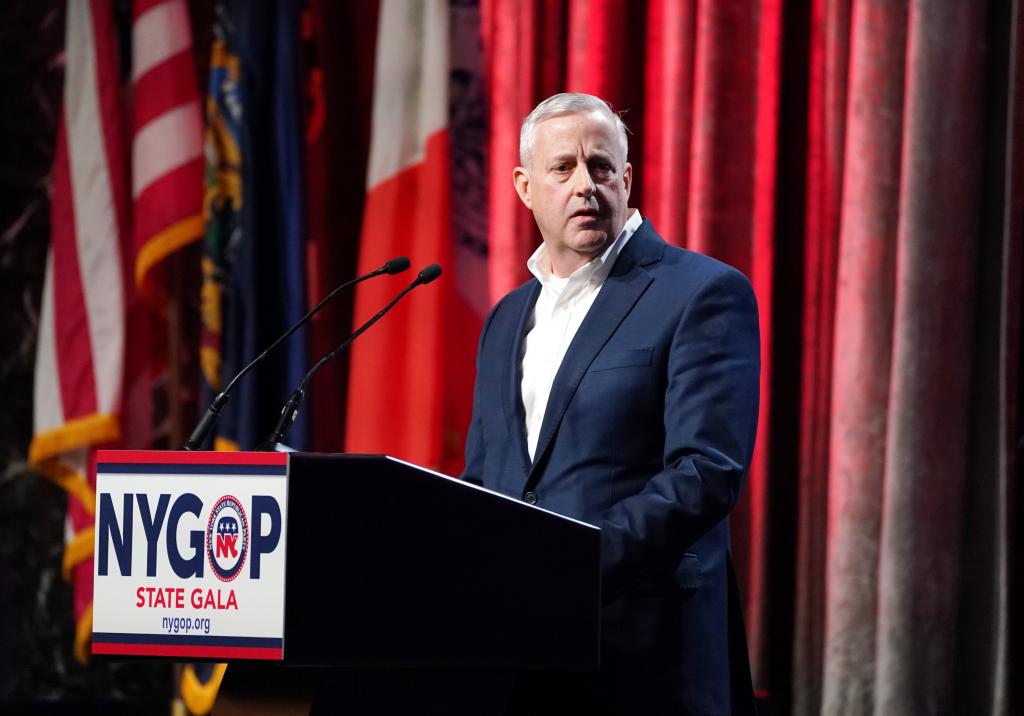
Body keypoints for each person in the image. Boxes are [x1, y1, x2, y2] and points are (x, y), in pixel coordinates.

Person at [461, 92, 760, 715]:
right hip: (516, 658)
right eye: (562, 168)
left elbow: (706, 473)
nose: (584, 186)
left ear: (626, 179)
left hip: (644, 656)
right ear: (524, 186)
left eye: (601, 167)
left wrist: (573, 567)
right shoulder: (505, 319)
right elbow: (484, 482)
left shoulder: (702, 293)